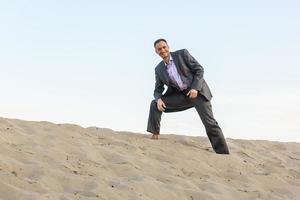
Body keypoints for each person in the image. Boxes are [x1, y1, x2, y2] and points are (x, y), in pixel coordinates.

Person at [147, 38, 229, 154]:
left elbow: (199, 70)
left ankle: (223, 153)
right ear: (156, 52)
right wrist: (159, 99)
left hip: (197, 93)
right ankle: (155, 135)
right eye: (159, 49)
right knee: (155, 104)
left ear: (168, 47)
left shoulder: (182, 54)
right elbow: (158, 89)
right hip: (181, 96)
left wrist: (195, 87)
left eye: (164, 47)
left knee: (210, 123)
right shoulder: (159, 69)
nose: (163, 50)